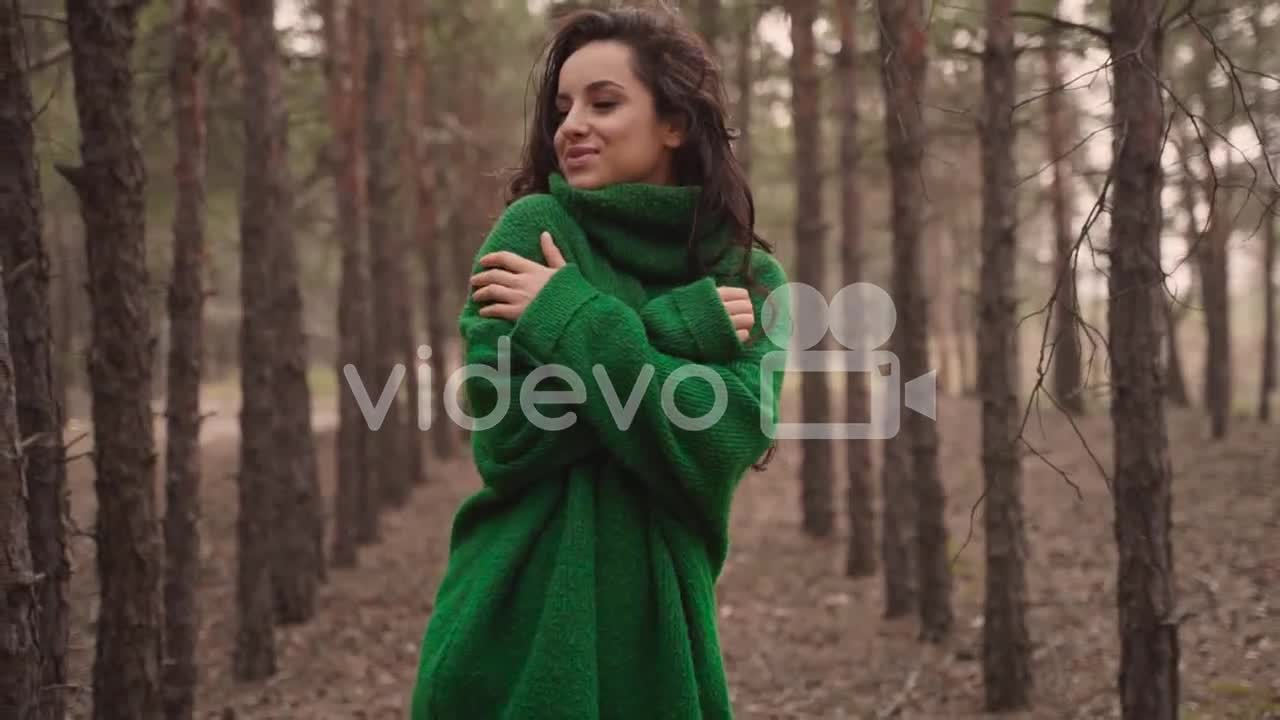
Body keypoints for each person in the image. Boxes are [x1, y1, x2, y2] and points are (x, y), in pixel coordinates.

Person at [410, 6, 789, 719]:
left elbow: (716, 445)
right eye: (563, 108)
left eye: (603, 102)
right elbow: (509, 437)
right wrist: (664, 330)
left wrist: (567, 320)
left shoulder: (749, 279)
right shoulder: (532, 231)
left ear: (674, 121)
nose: (570, 126)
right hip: (509, 631)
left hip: (661, 647)